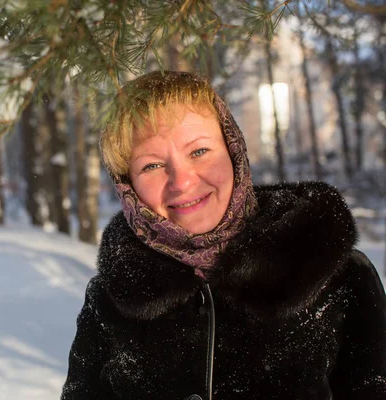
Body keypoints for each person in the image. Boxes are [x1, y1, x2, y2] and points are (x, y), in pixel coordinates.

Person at [61, 70, 386, 400]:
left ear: (233, 150)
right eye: (152, 166)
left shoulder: (337, 274)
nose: (182, 182)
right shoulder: (111, 298)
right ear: (127, 185)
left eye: (199, 151)